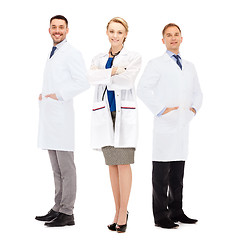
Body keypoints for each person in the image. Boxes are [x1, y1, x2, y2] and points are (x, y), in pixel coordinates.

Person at [137, 23, 203, 229]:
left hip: (183, 125)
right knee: (161, 175)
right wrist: (162, 109)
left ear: (181, 39)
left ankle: (177, 210)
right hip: (165, 125)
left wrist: (192, 110)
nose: (173, 38)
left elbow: (197, 93)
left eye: (176, 35)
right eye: (168, 35)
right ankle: (161, 215)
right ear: (163, 40)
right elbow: (143, 89)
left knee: (177, 173)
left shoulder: (190, 65)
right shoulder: (156, 64)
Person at [88, 17, 141, 233]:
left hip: (123, 115)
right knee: (112, 164)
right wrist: (114, 71)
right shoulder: (99, 57)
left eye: (120, 32)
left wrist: (104, 76)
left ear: (126, 34)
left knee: (123, 163)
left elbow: (127, 81)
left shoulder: (134, 57)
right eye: (112, 31)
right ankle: (118, 210)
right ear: (107, 32)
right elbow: (90, 78)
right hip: (104, 115)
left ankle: (123, 211)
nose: (115, 35)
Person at [35, 15, 89, 227]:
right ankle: (57, 207)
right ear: (49, 30)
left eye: (61, 27)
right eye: (54, 27)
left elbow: (82, 82)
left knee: (66, 168)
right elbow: (56, 79)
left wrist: (58, 95)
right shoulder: (54, 52)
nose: (57, 30)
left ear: (67, 30)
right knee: (56, 168)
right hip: (50, 117)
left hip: (62, 117)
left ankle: (68, 212)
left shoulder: (72, 53)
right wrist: (45, 94)